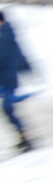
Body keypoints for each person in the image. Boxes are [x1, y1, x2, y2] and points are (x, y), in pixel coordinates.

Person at [0, 10, 34, 152]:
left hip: (8, 80)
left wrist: (27, 68)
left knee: (8, 108)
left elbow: (18, 53)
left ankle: (23, 137)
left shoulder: (8, 35)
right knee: (8, 109)